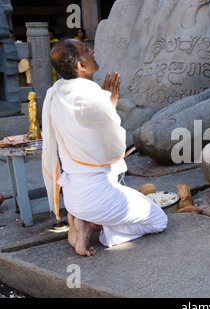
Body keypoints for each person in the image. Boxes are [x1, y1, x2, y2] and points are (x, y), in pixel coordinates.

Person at [42, 39, 168, 256]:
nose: (92, 50)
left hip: (72, 194)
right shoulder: (92, 97)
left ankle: (79, 219)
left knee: (139, 200)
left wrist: (106, 104)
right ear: (81, 66)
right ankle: (91, 227)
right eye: (86, 49)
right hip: (96, 196)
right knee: (159, 220)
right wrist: (111, 104)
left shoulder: (56, 92)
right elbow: (116, 150)